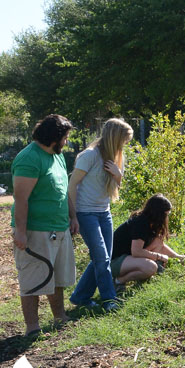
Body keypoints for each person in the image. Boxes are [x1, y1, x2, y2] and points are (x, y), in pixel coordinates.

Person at [11, 114, 77, 336]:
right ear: (54, 137)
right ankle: (33, 327)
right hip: (35, 229)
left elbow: (64, 190)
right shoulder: (29, 158)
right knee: (33, 278)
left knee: (57, 276)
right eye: (65, 137)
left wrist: (72, 217)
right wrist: (21, 231)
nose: (66, 142)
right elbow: (21, 198)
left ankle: (60, 316)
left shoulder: (56, 156)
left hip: (59, 227)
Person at [68, 119, 134, 311]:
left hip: (104, 212)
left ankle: (80, 296)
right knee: (102, 258)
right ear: (115, 138)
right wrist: (73, 216)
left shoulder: (118, 157)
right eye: (124, 140)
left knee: (103, 257)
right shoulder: (89, 156)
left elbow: (120, 186)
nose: (125, 145)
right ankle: (109, 300)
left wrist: (117, 174)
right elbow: (72, 185)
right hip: (85, 212)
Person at [110, 194, 185, 285]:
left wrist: (177, 256)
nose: (167, 218)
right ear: (158, 214)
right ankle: (118, 281)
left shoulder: (149, 222)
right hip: (114, 261)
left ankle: (143, 275)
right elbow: (136, 252)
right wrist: (158, 256)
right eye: (166, 215)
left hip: (127, 257)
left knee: (158, 241)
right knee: (150, 267)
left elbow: (160, 246)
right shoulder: (140, 223)